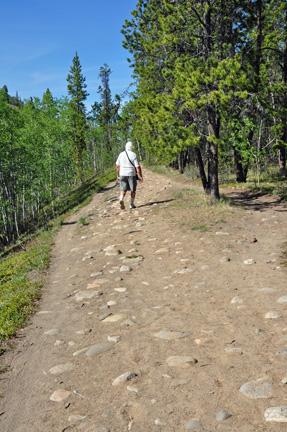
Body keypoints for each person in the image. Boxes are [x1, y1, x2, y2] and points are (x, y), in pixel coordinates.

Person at [116, 141, 143, 210]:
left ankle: (121, 198)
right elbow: (137, 167)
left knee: (123, 188)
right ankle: (131, 204)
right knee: (133, 189)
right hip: (131, 174)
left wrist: (118, 175)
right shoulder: (133, 155)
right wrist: (140, 176)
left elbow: (117, 166)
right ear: (132, 147)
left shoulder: (121, 154)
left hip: (122, 173)